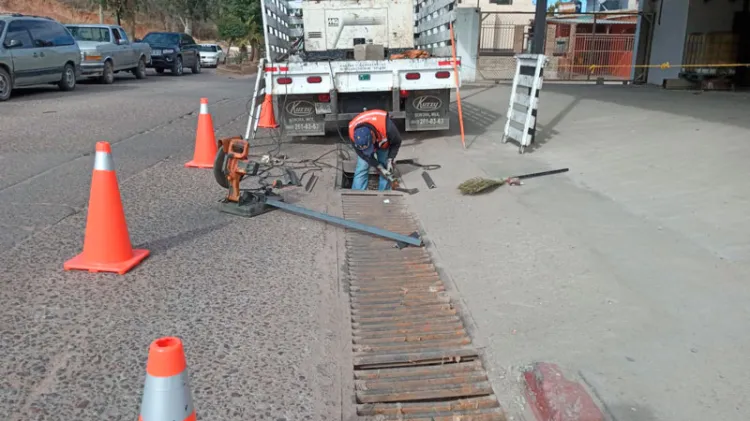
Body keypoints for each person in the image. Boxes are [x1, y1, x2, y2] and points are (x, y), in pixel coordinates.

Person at [347, 109, 402, 191]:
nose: (371, 150)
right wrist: (379, 167)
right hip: (375, 137)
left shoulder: (387, 126)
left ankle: (384, 193)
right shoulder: (353, 134)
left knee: (385, 164)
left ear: (372, 135)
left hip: (382, 140)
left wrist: (390, 159)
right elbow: (364, 156)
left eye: (370, 147)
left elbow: (397, 142)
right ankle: (358, 193)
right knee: (362, 166)